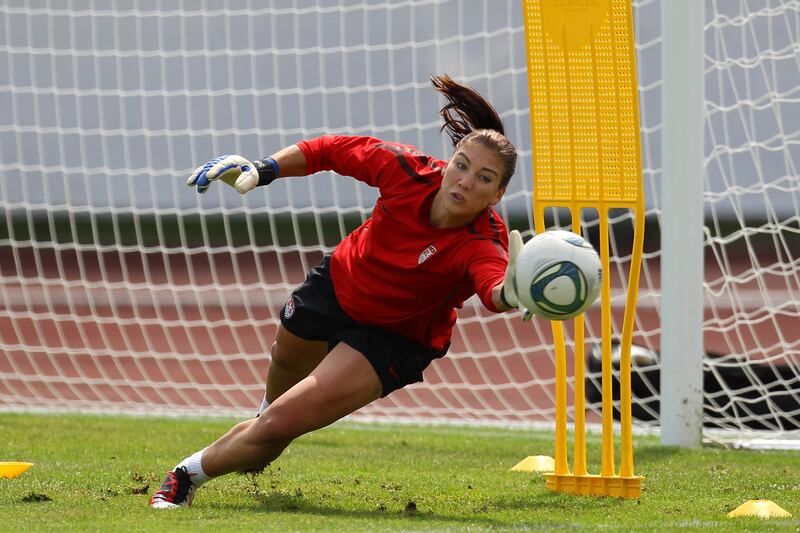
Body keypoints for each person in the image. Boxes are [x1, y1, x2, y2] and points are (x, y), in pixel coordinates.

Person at [149, 74, 530, 509]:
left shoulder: (483, 241)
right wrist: (264, 168)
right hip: (338, 285)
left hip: (393, 338)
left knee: (278, 424)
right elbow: (330, 150)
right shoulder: (407, 170)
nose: (465, 181)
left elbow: (494, 292)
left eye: (484, 178)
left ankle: (184, 476)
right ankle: (259, 435)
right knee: (276, 394)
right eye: (461, 165)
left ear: (497, 194)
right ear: (448, 163)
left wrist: (518, 291)